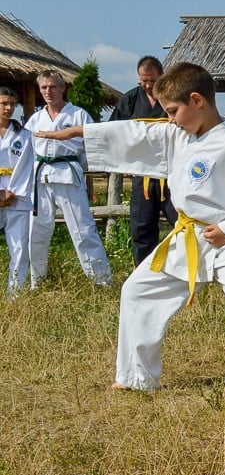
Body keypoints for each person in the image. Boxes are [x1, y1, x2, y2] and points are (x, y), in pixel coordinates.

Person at [35, 62, 225, 412]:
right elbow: (137, 134)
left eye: (173, 110)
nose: (170, 119)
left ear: (198, 100)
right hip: (189, 235)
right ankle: (135, 376)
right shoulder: (180, 135)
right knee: (136, 291)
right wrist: (81, 132)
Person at [26, 71, 112, 287]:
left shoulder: (78, 115)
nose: (48, 91)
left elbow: (92, 147)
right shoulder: (35, 119)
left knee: (83, 230)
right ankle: (38, 281)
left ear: (63, 88)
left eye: (53, 87)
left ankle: (101, 281)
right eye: (44, 87)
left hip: (68, 176)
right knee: (36, 232)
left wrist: (78, 167)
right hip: (41, 179)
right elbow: (26, 153)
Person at [110, 56, 177, 266]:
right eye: (143, 81)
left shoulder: (174, 98)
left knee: (182, 224)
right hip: (143, 176)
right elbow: (114, 132)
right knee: (141, 227)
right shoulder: (130, 99)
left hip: (172, 176)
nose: (148, 85)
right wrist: (125, 162)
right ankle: (143, 273)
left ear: (162, 76)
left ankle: (182, 270)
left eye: (152, 81)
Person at [0, 88, 33, 296]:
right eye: (3, 103)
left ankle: (15, 294)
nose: (8, 108)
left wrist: (11, 192)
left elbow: (26, 166)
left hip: (16, 195)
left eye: (12, 104)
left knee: (20, 247)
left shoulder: (24, 135)